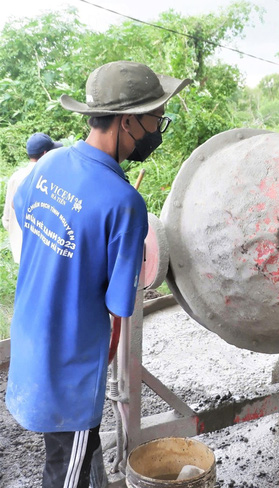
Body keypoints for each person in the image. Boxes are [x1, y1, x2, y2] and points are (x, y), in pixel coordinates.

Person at [4, 61, 191, 488]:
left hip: (31, 336)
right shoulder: (123, 202)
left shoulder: (47, 166)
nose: (158, 128)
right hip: (72, 362)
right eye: (155, 117)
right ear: (128, 122)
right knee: (64, 471)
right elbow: (119, 308)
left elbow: (26, 219)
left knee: (76, 455)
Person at [2, 132, 63, 263]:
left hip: (20, 252)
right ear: (45, 154)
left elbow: (6, 219)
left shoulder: (15, 177)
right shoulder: (50, 176)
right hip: (44, 255)